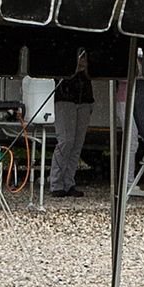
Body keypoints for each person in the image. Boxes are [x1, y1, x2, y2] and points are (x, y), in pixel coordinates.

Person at [49, 50, 92, 199]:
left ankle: (68, 182)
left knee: (77, 144)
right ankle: (56, 182)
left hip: (85, 98)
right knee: (66, 141)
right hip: (64, 96)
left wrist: (85, 68)